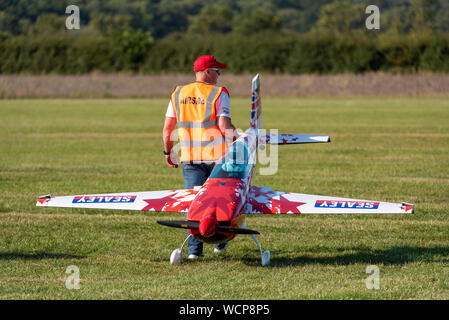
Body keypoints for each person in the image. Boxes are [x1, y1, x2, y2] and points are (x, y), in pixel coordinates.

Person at [162, 55, 237, 260]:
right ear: (207, 72)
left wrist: (168, 152)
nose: (219, 74)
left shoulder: (178, 93)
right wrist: (240, 142)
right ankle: (220, 243)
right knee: (221, 203)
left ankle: (194, 253)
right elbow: (224, 127)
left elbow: (168, 128)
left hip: (189, 159)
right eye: (217, 70)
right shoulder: (219, 93)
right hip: (217, 159)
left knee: (195, 205)